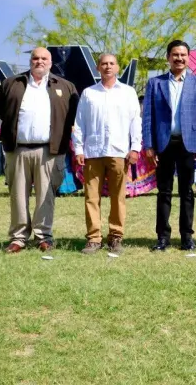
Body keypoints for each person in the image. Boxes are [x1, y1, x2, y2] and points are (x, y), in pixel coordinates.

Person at [0, 47, 79, 253]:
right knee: (18, 195)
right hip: (18, 150)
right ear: (30, 61)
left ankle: (44, 236)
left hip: (49, 150)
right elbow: (0, 109)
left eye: (44, 58)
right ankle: (18, 237)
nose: (39, 61)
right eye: (35, 58)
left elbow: (74, 114)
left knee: (45, 196)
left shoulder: (65, 87)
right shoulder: (12, 84)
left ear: (51, 62)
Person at [142, 40, 196, 252]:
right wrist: (149, 144)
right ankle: (162, 237)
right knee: (164, 192)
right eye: (175, 54)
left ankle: (186, 237)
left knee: (187, 192)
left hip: (188, 144)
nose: (179, 58)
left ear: (188, 58)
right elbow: (148, 116)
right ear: (168, 58)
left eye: (183, 55)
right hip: (163, 144)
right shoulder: (155, 83)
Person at [72, 53, 141, 255]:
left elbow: (135, 121)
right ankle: (94, 238)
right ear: (98, 68)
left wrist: (135, 147)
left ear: (118, 67)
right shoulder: (89, 93)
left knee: (117, 197)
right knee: (91, 198)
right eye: (104, 64)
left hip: (119, 151)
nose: (108, 67)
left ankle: (116, 237)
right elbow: (79, 123)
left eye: (111, 63)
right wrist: (78, 148)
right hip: (93, 151)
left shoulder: (128, 92)